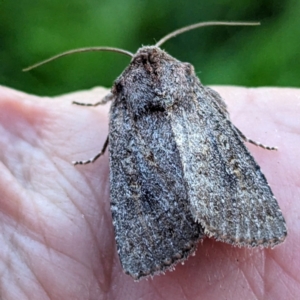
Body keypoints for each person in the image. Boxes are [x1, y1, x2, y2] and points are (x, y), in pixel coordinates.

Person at [0, 85, 298, 299]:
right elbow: (215, 104)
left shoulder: (126, 96)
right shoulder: (185, 79)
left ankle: (162, 241)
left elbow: (115, 134)